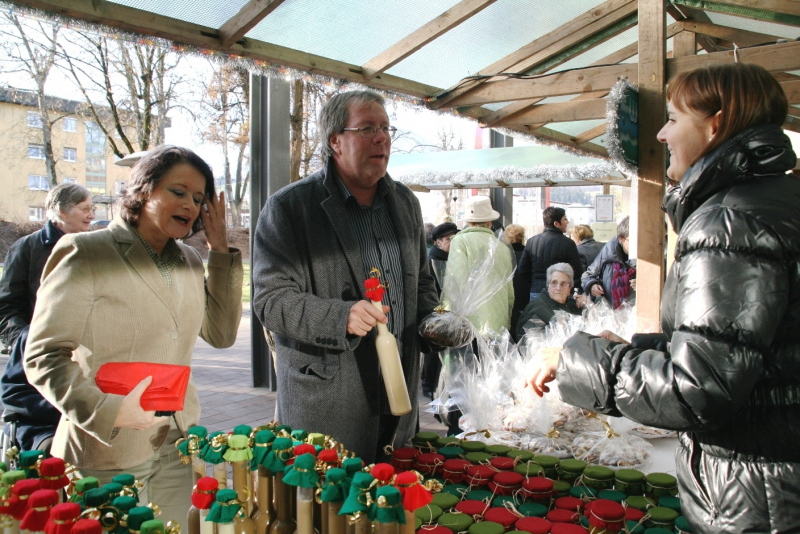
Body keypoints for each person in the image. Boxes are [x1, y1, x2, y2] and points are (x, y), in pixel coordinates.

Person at [527, 63, 800, 534]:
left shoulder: (729, 221)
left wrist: (576, 360)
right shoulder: (777, 199)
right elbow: (748, 349)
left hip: (755, 498)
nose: (660, 133)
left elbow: (700, 387)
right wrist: (635, 350)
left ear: (716, 123)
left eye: (673, 118)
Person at [24, 146, 243, 523]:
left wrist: (219, 250)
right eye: (178, 191)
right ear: (143, 190)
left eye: (197, 197)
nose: (190, 205)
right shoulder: (86, 251)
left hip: (177, 442)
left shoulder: (190, 260)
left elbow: (222, 335)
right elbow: (43, 356)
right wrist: (108, 411)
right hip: (107, 450)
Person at [252, 90, 438, 463]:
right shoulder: (289, 208)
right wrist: (341, 317)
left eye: (386, 128)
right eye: (367, 128)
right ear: (335, 140)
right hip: (329, 404)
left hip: (399, 399)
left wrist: (435, 321)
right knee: (330, 517)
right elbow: (271, 301)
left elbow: (422, 283)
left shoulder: (405, 204)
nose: (382, 138)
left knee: (390, 511)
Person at [0, 183, 94, 453]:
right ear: (62, 211)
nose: (91, 215)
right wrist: (25, 341)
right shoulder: (26, 248)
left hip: (86, 353)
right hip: (41, 352)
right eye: (84, 208)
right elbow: (7, 305)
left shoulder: (96, 248)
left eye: (92, 208)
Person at [440, 196, 514, 336]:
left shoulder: (460, 242)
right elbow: (510, 291)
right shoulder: (503, 248)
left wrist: (446, 312)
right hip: (498, 321)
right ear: (490, 221)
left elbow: (455, 283)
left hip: (470, 323)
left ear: (468, 221)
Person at [517, 207, 583, 310]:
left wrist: (535, 282)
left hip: (536, 291)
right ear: (556, 223)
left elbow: (522, 270)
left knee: (536, 323)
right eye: (565, 219)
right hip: (560, 292)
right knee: (558, 323)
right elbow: (577, 272)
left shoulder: (531, 242)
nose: (567, 222)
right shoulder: (568, 244)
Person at [422, 222, 459, 399]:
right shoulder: (432, 259)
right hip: (436, 310)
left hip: (446, 311)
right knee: (433, 351)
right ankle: (428, 384)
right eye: (449, 239)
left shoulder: (451, 258)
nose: (453, 242)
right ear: (437, 242)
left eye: (455, 238)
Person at [515, 263, 587, 339]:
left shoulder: (574, 304)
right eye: (554, 283)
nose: (558, 288)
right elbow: (527, 342)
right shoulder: (538, 308)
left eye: (563, 284)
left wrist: (588, 304)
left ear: (570, 289)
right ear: (548, 286)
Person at [580, 217, 635, 309]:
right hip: (609, 314)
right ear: (621, 238)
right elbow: (588, 275)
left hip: (635, 314)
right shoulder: (608, 252)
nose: (637, 245)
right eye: (633, 240)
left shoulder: (645, 257)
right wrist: (592, 286)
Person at [503, 223, 527, 334]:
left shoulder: (503, 253)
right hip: (524, 293)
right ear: (521, 237)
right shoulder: (527, 253)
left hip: (507, 294)